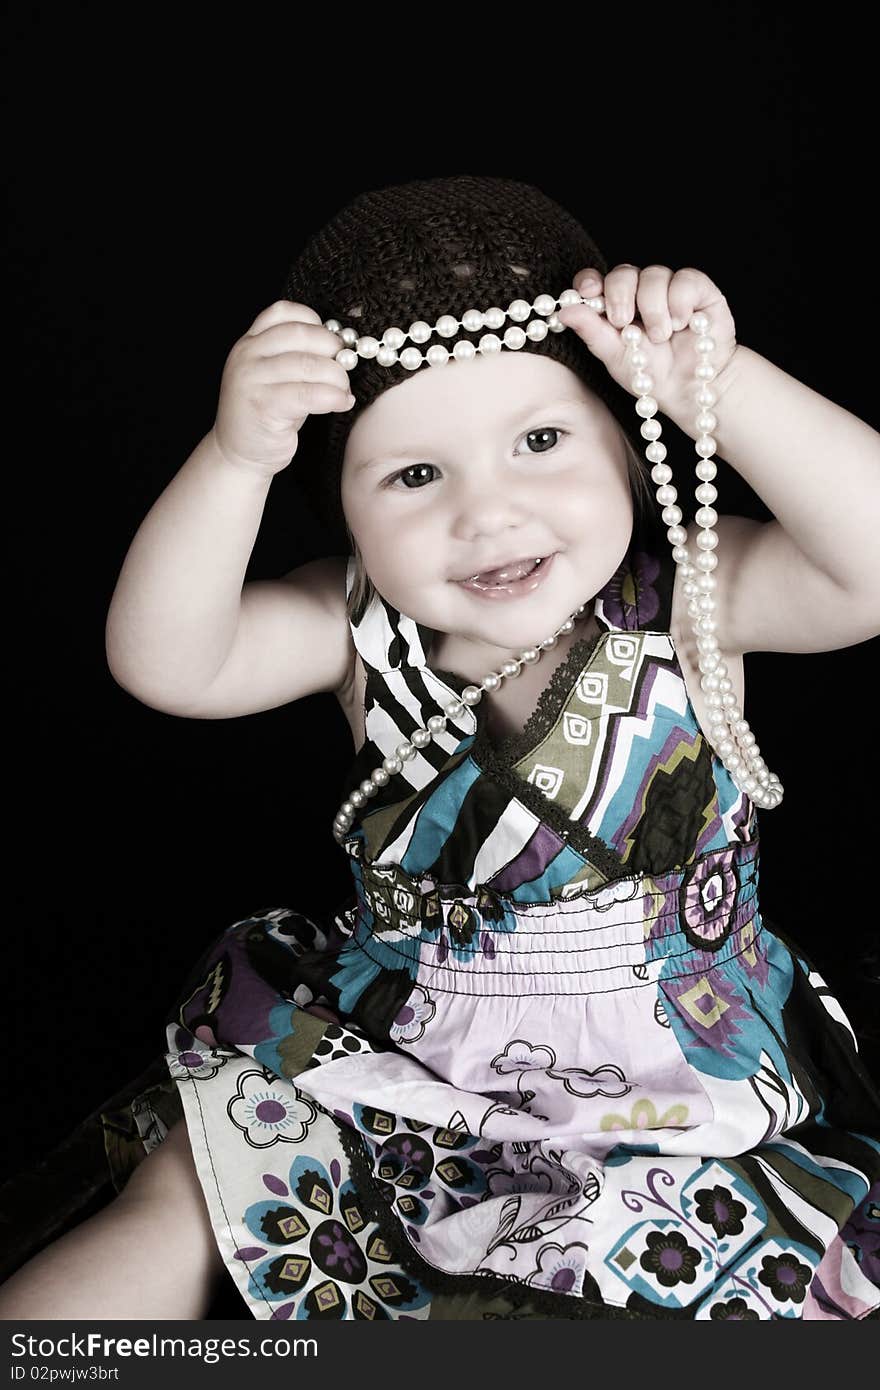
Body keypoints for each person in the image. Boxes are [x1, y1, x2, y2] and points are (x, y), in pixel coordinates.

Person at [1, 174, 878, 1323]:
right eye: (414, 475)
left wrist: (723, 382)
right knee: (191, 1192)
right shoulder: (355, 628)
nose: (488, 510)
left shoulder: (695, 601)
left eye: (541, 439)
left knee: (697, 1269)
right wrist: (232, 459)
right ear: (345, 511)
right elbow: (167, 663)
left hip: (677, 1072)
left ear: (627, 441)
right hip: (408, 1054)